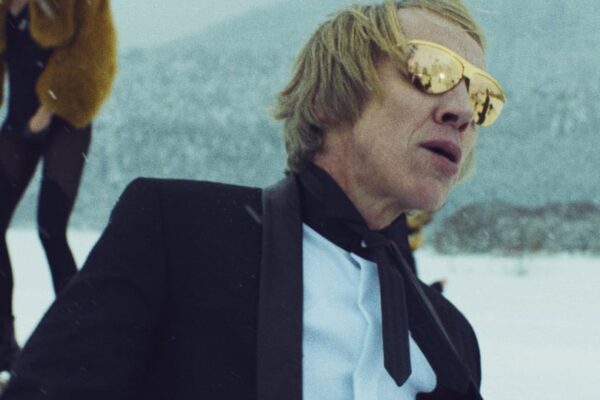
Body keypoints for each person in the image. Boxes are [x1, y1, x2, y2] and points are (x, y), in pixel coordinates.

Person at [0, 0, 505, 398]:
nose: (462, 111)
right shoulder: (175, 233)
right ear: (328, 99)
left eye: (481, 97)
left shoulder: (453, 339)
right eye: (429, 70)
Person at [0, 0, 117, 374]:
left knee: (50, 229)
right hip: (17, 124)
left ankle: (80, 342)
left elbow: (94, 52)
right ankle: (4, 348)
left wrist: (50, 105)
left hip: (66, 120)